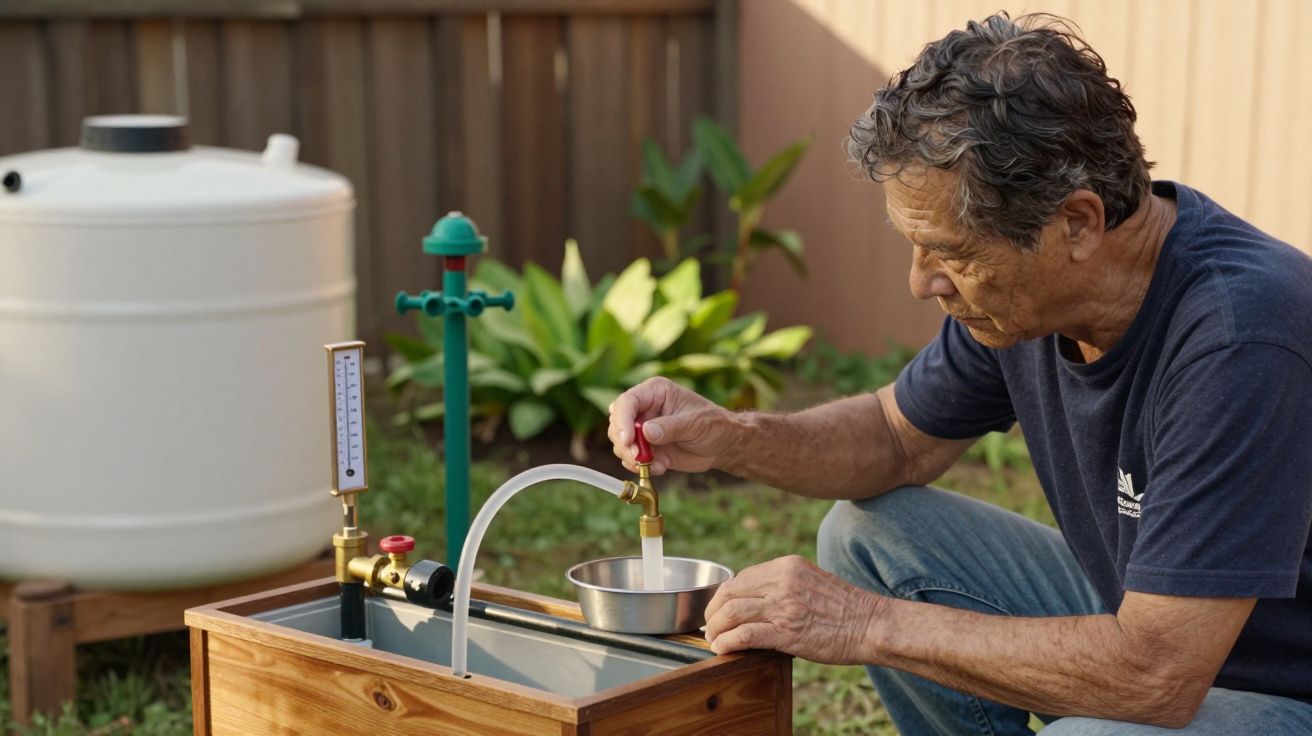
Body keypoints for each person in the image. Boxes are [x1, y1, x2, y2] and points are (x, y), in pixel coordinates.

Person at [606, 12, 1312, 735]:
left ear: (1077, 224)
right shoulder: (1025, 302)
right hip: (1149, 620)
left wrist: (864, 624)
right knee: (871, 534)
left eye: (950, 252)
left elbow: (1157, 674)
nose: (923, 283)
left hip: (1272, 688)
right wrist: (729, 436)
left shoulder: (1239, 334)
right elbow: (895, 438)